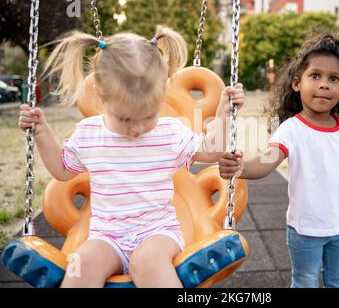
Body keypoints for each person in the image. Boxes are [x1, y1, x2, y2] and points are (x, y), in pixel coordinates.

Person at [18, 26, 244, 288]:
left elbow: (211, 151)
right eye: (124, 119)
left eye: (148, 117)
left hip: (157, 233)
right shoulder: (90, 134)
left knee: (146, 263)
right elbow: (62, 170)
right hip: (107, 236)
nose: (137, 129)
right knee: (82, 263)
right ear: (102, 98)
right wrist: (42, 132)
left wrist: (224, 115)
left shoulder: (168, 131)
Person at [219, 34, 339, 288]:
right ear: (297, 83)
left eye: (333, 79)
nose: (324, 85)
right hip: (306, 229)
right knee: (305, 282)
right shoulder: (292, 129)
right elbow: (267, 161)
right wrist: (242, 168)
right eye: (315, 76)